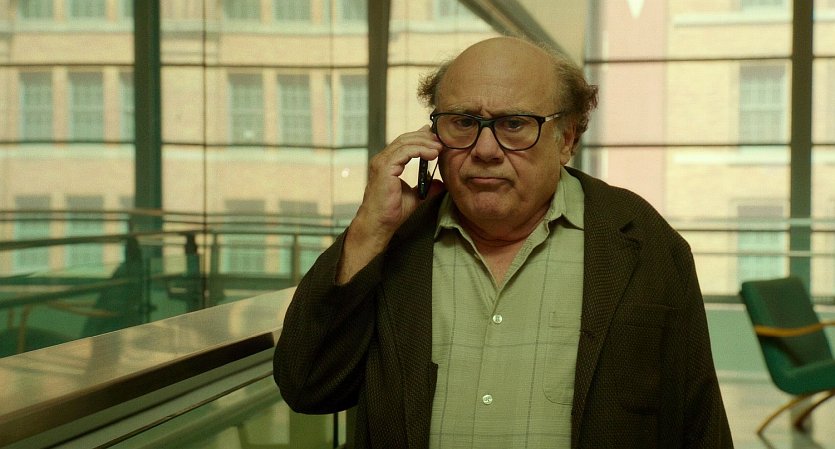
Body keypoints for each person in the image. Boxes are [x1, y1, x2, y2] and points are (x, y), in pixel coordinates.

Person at [274, 36, 733, 448]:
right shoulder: (395, 241)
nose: (485, 149)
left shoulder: (640, 241)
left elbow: (697, 423)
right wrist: (370, 231)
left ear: (566, 139)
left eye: (514, 124)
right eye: (463, 122)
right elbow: (309, 386)